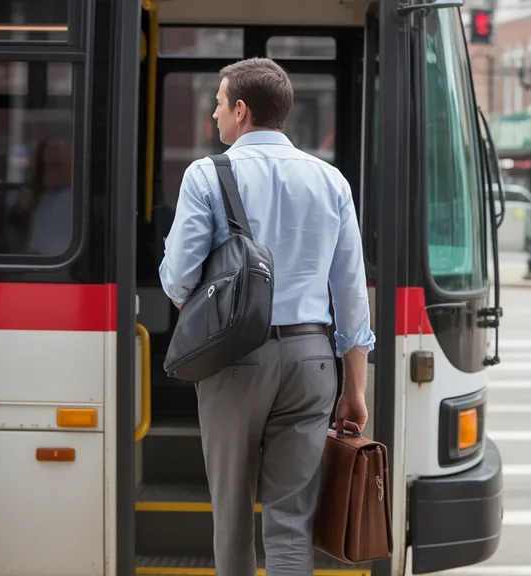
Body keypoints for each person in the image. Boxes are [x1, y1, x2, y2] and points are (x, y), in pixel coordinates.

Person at [158, 57, 375, 576]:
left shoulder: (206, 175)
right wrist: (355, 391)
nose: (213, 116)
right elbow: (350, 296)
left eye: (217, 104)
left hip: (233, 359)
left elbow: (178, 279)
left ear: (241, 109)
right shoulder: (331, 182)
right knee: (291, 524)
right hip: (312, 362)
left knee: (232, 519)